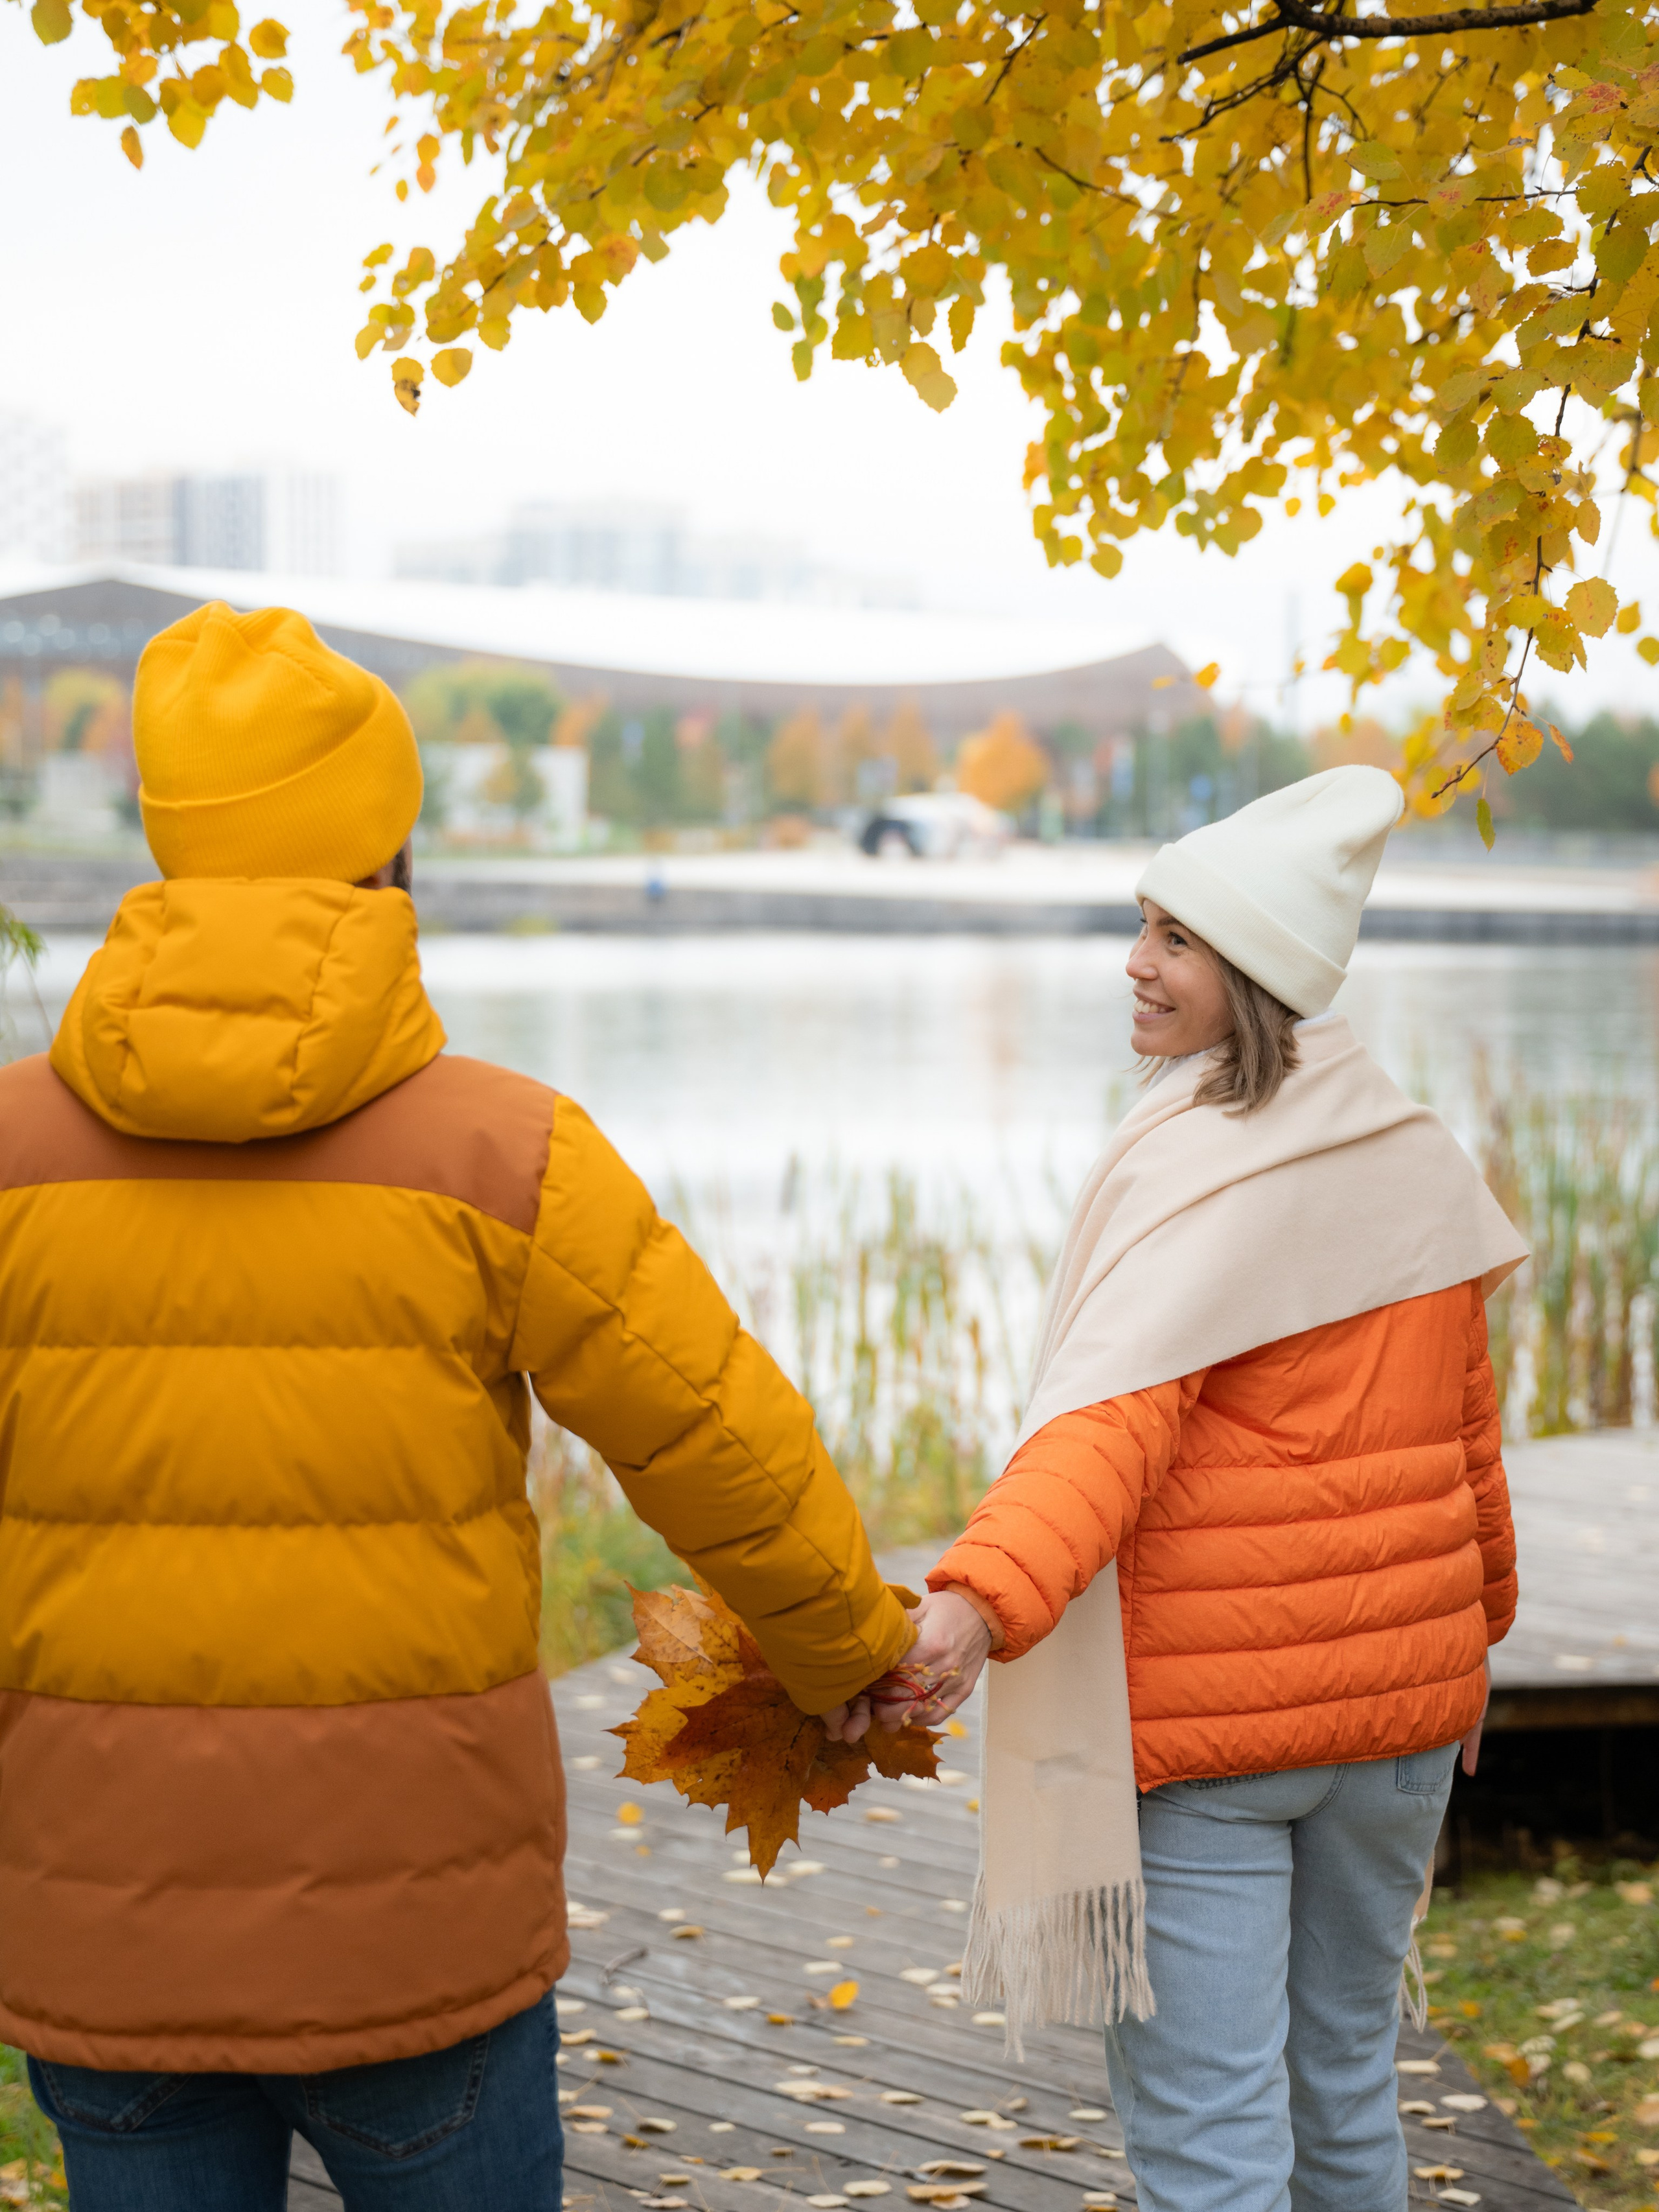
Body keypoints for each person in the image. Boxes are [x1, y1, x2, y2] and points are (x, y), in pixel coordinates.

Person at [0, 603, 916, 2211]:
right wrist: (842, 1649)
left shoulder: (13, 1155)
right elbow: (713, 1436)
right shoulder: (505, 1154)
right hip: (414, 1924)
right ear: (385, 848)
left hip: (104, 1917)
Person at [842, 767, 1527, 2212]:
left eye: (1173, 940)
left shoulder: (1208, 1178)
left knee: (1211, 2150)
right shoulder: (1410, 1155)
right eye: (1140, 926)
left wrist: (971, 1603)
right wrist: (1474, 1650)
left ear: (1256, 972)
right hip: (1400, 1727)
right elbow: (1470, 1442)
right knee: (1343, 2101)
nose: (1135, 965)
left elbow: (1103, 1433)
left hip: (1218, 1748)